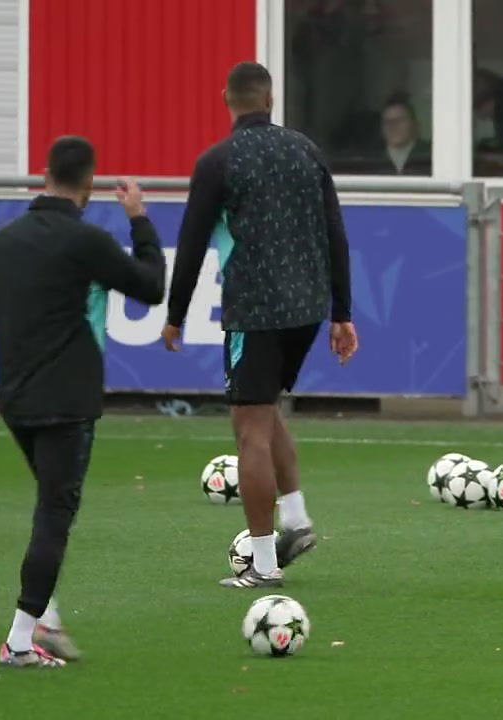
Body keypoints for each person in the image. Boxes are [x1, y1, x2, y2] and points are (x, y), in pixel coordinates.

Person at [0, 136, 166, 667]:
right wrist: (138, 219)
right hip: (68, 399)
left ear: (45, 176)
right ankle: (21, 641)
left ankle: (46, 618)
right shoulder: (84, 240)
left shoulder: (3, 241)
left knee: (50, 505)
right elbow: (151, 286)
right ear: (88, 185)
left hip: (16, 400)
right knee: (55, 513)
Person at [163, 61, 358, 588]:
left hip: (256, 309)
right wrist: (342, 312)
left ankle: (264, 565)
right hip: (308, 309)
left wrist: (175, 314)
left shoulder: (217, 161)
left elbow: (191, 242)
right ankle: (296, 519)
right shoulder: (306, 150)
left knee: (247, 429)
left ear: (226, 97)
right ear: (270, 100)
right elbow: (335, 234)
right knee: (266, 412)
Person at [372, 93, 431, 176]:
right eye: (387, 122)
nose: (393, 126)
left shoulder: (430, 155)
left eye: (400, 120)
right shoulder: (372, 159)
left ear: (414, 124)